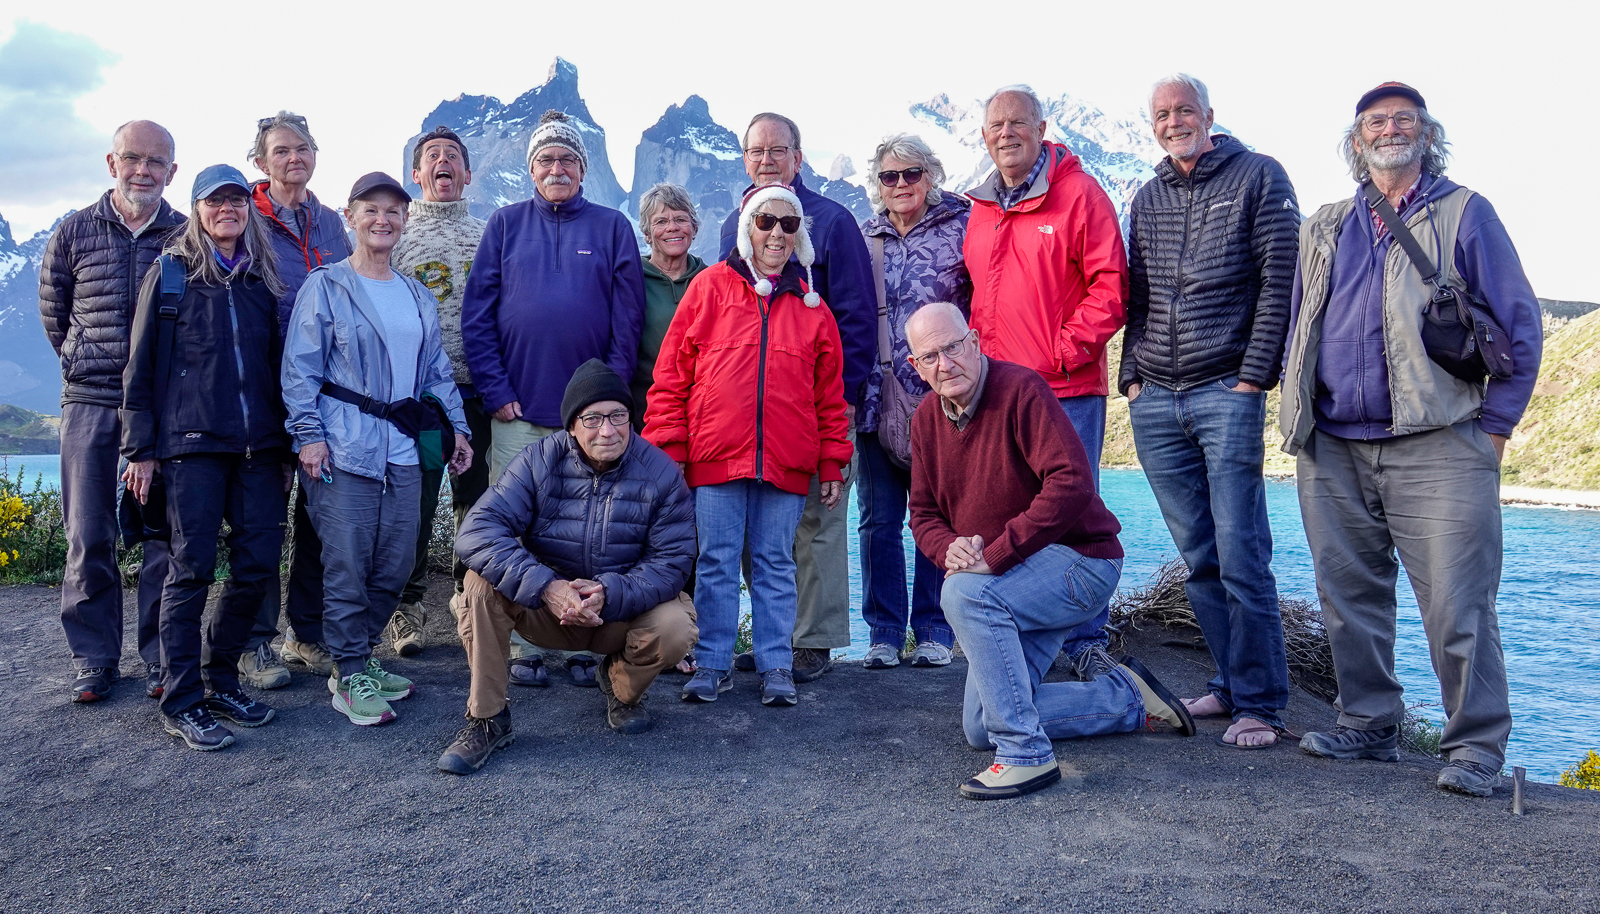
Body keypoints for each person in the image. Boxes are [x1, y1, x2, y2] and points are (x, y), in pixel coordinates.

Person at [1284, 83, 1542, 797]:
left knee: (1459, 603)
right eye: (1376, 121)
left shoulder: (1465, 213)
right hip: (1331, 442)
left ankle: (1476, 749)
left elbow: (1520, 328)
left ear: (1426, 135)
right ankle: (1367, 724)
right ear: (1357, 140)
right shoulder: (1326, 223)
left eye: (1404, 119)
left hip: (1440, 439)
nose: (1390, 129)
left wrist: (1495, 428)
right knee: (1347, 597)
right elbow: (1300, 324)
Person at [905, 303, 1193, 801]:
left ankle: (1024, 755)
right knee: (979, 725)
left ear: (973, 341)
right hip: (1017, 583)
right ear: (916, 366)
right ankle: (1125, 698)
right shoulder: (927, 418)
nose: (945, 364)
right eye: (929, 356)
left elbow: (1071, 482)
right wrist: (950, 548)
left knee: (964, 596)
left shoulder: (1020, 390)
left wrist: (995, 555)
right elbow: (923, 515)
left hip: (1081, 563)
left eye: (952, 347)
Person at [1119, 74, 1299, 749]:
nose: (1173, 122)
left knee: (1242, 552)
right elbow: (1135, 296)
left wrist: (1254, 379)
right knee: (1200, 557)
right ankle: (1229, 683)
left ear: (1209, 116)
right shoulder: (1149, 194)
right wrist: (1130, 376)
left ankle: (1263, 704)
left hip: (1227, 390)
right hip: (1157, 398)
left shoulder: (1259, 176)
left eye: (1184, 111)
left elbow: (1280, 282)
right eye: (1162, 114)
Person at [647, 184, 852, 707]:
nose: (777, 233)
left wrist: (832, 462)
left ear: (798, 232)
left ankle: (775, 664)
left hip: (785, 458)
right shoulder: (710, 288)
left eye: (788, 224)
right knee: (715, 561)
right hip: (716, 455)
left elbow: (830, 397)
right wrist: (670, 450)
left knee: (776, 562)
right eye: (766, 222)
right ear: (747, 229)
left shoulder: (813, 307)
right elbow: (672, 377)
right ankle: (712, 663)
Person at [461, 110, 646, 689]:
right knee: (519, 528)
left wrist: (606, 407)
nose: (557, 168)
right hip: (518, 410)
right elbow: (478, 314)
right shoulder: (505, 224)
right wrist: (495, 392)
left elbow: (628, 322)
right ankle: (522, 644)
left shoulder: (612, 226)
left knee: (593, 528)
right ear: (532, 170)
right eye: (546, 160)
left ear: (582, 169)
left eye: (568, 159)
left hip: (590, 426)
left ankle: (589, 644)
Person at [439, 361, 698, 773]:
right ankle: (487, 719)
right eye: (593, 418)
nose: (607, 430)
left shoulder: (661, 473)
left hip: (616, 613)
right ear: (572, 425)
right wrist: (547, 587)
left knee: (675, 625)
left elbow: (672, 563)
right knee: (478, 584)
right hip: (546, 610)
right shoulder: (538, 461)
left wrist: (610, 592)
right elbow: (477, 533)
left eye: (618, 416)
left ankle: (620, 685)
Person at [281, 172, 471, 727]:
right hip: (345, 448)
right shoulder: (327, 286)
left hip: (406, 450)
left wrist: (455, 430)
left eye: (393, 211)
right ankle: (348, 670)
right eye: (371, 210)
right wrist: (309, 436)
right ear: (351, 217)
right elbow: (300, 370)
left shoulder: (415, 294)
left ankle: (356, 659)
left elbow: (437, 372)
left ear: (405, 220)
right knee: (347, 563)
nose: (382, 220)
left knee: (394, 562)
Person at [119, 164, 289, 750]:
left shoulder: (260, 282)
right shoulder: (171, 277)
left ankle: (221, 680)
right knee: (189, 570)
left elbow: (274, 369)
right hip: (190, 449)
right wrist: (140, 450)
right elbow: (139, 370)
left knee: (257, 564)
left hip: (260, 448)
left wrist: (287, 441)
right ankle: (182, 696)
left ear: (248, 209)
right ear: (196, 209)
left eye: (237, 200)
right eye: (215, 201)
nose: (228, 210)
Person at [963, 84, 1129, 677]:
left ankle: (1087, 638)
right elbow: (979, 301)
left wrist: (1058, 354)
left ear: (1040, 129)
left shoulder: (1080, 194)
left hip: (1065, 389)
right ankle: (1023, 627)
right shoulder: (980, 209)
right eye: (995, 126)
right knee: (1010, 506)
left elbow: (1110, 290)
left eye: (1018, 123)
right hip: (999, 392)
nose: (1006, 133)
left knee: (1074, 507)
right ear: (983, 137)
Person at [715, 112, 874, 683]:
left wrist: (847, 398)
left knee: (817, 522)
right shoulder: (736, 223)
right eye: (755, 151)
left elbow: (856, 319)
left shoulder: (833, 222)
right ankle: (772, 641)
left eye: (777, 150)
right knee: (761, 529)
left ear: (798, 158)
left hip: (816, 405)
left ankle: (815, 641)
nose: (765, 160)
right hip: (752, 414)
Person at [38, 120, 181, 703]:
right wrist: (83, 362)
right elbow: (55, 313)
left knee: (161, 538)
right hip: (90, 404)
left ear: (172, 171)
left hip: (165, 410)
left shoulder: (184, 235)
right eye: (132, 158)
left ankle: (158, 655)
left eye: (155, 161)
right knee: (88, 533)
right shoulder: (73, 232)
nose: (142, 170)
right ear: (111, 162)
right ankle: (94, 658)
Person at [242, 111, 354, 689]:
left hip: (323, 389)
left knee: (318, 518)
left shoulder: (334, 224)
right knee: (261, 520)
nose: (294, 158)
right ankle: (254, 642)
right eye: (281, 150)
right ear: (261, 161)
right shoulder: (245, 218)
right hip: (262, 389)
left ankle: (306, 634)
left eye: (303, 148)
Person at [856, 134, 970, 670]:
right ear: (877, 184)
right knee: (879, 519)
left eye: (911, 174)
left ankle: (933, 628)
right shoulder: (864, 236)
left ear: (931, 174)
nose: (900, 185)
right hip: (876, 398)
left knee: (937, 514)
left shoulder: (964, 227)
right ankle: (882, 631)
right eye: (889, 176)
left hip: (942, 396)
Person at [386, 126, 489, 656]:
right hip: (424, 403)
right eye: (432, 156)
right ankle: (406, 609)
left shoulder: (490, 235)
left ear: (467, 175)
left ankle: (468, 602)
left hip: (478, 394)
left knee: (475, 505)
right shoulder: (397, 236)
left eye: (453, 157)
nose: (443, 162)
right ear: (417, 174)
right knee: (421, 502)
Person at [633, 183, 708, 429]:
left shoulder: (712, 281)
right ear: (646, 233)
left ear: (694, 228)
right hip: (642, 414)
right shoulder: (630, 279)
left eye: (680, 219)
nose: (672, 228)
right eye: (661, 222)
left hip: (703, 417)